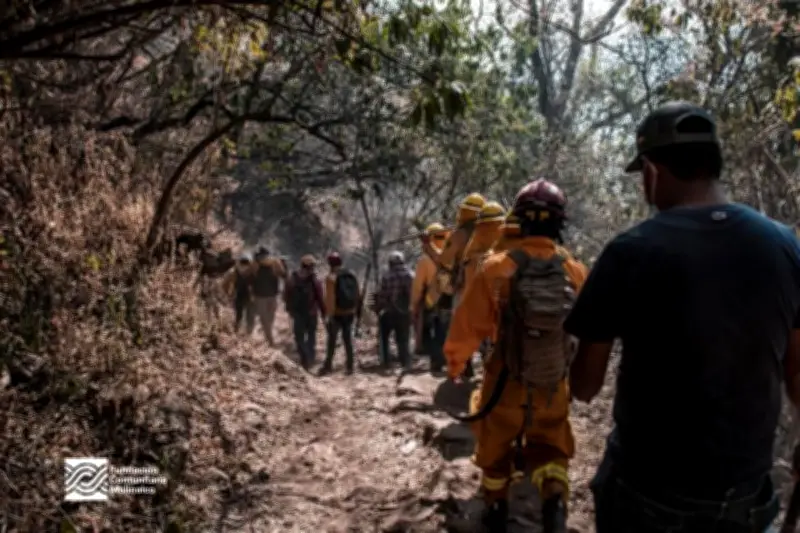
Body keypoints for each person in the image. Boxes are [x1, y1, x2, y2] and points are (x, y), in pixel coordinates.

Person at [565, 101, 800, 533]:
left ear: (653, 171)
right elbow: (799, 378)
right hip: (746, 503)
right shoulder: (785, 246)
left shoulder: (630, 251)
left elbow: (584, 387)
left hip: (646, 501)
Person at [443, 179, 587, 533]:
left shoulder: (495, 268)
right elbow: (585, 332)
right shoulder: (575, 270)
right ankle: (553, 498)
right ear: (560, 222)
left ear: (518, 220)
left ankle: (495, 507)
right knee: (552, 450)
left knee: (495, 455)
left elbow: (468, 326)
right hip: (552, 386)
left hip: (503, 385)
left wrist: (455, 364)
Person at [422, 192, 486, 308]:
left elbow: (443, 259)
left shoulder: (459, 234)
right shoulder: (488, 234)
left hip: (465, 289)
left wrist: (428, 244)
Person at [412, 222, 449, 372]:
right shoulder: (451, 256)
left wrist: (413, 305)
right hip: (451, 300)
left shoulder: (425, 260)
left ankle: (437, 361)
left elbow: (418, 287)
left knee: (433, 334)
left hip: (432, 302)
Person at [319, 252, 360, 375]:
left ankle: (328, 365)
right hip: (350, 312)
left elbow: (330, 298)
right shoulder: (351, 274)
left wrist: (329, 315)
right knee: (348, 339)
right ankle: (350, 366)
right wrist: (357, 309)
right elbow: (357, 293)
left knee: (332, 340)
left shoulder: (331, 277)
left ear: (329, 264)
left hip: (337, 313)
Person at [284, 254, 326, 370]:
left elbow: (287, 294)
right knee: (311, 337)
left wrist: (289, 308)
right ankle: (310, 359)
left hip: (298, 313)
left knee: (299, 338)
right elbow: (320, 298)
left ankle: (304, 359)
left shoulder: (293, 278)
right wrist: (324, 313)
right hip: (312, 313)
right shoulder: (315, 280)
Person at [375, 251, 414, 370]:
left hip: (390, 312)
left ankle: (386, 361)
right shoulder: (411, 275)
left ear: (390, 263)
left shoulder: (387, 276)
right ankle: (405, 362)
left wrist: (379, 308)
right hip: (405, 312)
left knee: (384, 337)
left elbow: (383, 295)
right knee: (403, 339)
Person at [251, 246, 287, 346]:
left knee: (267, 319)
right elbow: (284, 275)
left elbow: (283, 275)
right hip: (266, 296)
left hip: (266, 296)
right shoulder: (258, 264)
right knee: (266, 319)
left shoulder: (272, 264)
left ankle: (268, 336)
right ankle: (271, 341)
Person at [222, 251, 256, 334]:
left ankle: (243, 332)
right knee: (242, 315)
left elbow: (224, 284)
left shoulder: (251, 271)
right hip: (243, 295)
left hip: (246, 295)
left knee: (245, 315)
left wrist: (228, 294)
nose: (244, 265)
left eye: (246, 262)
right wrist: (228, 293)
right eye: (243, 262)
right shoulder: (235, 272)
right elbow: (225, 283)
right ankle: (241, 332)